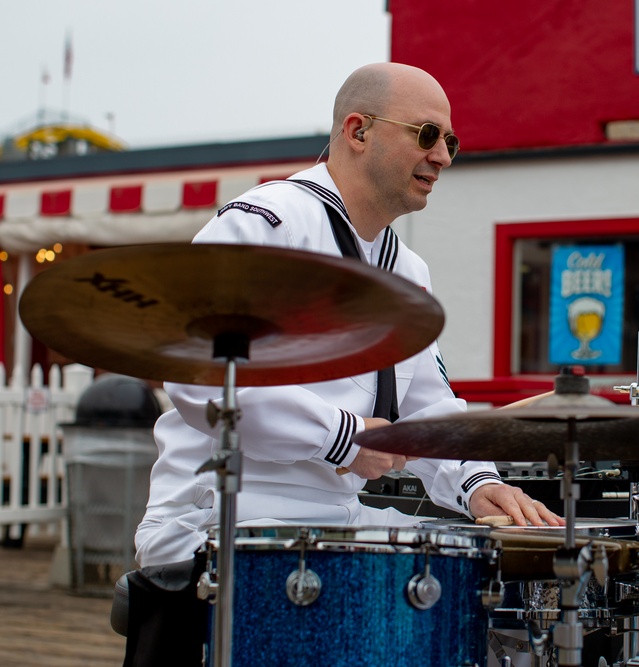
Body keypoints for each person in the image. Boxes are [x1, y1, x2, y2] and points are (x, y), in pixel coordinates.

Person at [124, 62, 561, 665]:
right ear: (358, 131)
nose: (444, 157)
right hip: (225, 521)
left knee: (471, 575)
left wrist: (479, 484)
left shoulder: (407, 269)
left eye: (451, 142)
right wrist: (342, 438)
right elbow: (201, 374)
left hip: (333, 520)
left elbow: (428, 404)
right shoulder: (263, 225)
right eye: (427, 135)